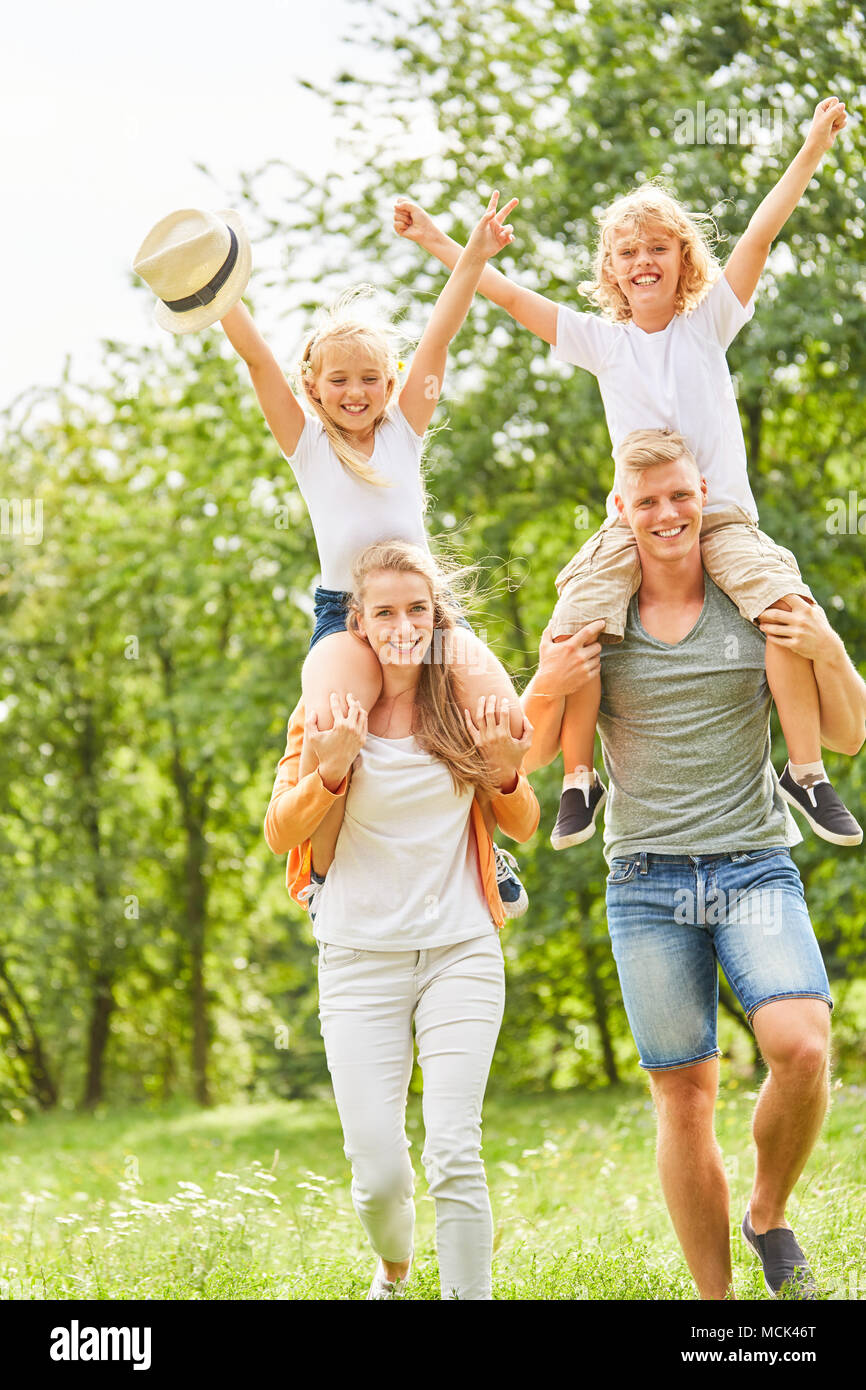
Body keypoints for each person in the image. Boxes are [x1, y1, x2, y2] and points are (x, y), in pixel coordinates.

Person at [395, 95, 862, 852]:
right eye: (627, 252)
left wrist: (811, 147)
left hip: (723, 518)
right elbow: (508, 297)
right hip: (635, 519)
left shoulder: (709, 322)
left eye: (658, 249)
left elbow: (762, 231)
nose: (643, 261)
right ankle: (581, 777)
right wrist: (446, 243)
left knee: (783, 604)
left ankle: (804, 772)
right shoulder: (600, 342)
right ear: (610, 270)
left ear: (682, 260)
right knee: (579, 620)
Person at [522, 429, 865, 1301]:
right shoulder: (601, 615)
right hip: (646, 878)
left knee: (801, 1043)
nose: (668, 515)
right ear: (621, 513)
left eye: (680, 496)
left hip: (752, 862)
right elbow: (512, 759)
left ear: (703, 493)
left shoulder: (751, 599)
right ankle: (717, 1312)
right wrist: (546, 677)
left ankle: (768, 1211)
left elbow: (850, 734)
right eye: (648, 503)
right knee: (684, 1095)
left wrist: (829, 648)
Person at [219, 191, 530, 914]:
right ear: (314, 389)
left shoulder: (403, 432)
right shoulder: (307, 446)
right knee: (335, 729)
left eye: (368, 379)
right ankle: (321, 872)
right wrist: (219, 292)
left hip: (427, 613)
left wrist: (474, 256)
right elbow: (258, 358)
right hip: (346, 616)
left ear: (389, 384)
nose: (355, 392)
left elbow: (438, 340)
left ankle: (492, 844)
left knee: (502, 716)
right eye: (339, 380)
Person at [264, 540, 539, 1300]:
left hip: (461, 951)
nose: (402, 625)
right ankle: (393, 1269)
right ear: (357, 621)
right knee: (378, 1171)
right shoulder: (328, 709)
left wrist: (502, 766)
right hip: (358, 958)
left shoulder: (459, 701)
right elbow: (280, 833)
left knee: (455, 1149)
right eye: (384, 611)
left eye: (417, 609)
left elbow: (524, 821)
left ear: (435, 617)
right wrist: (330, 769)